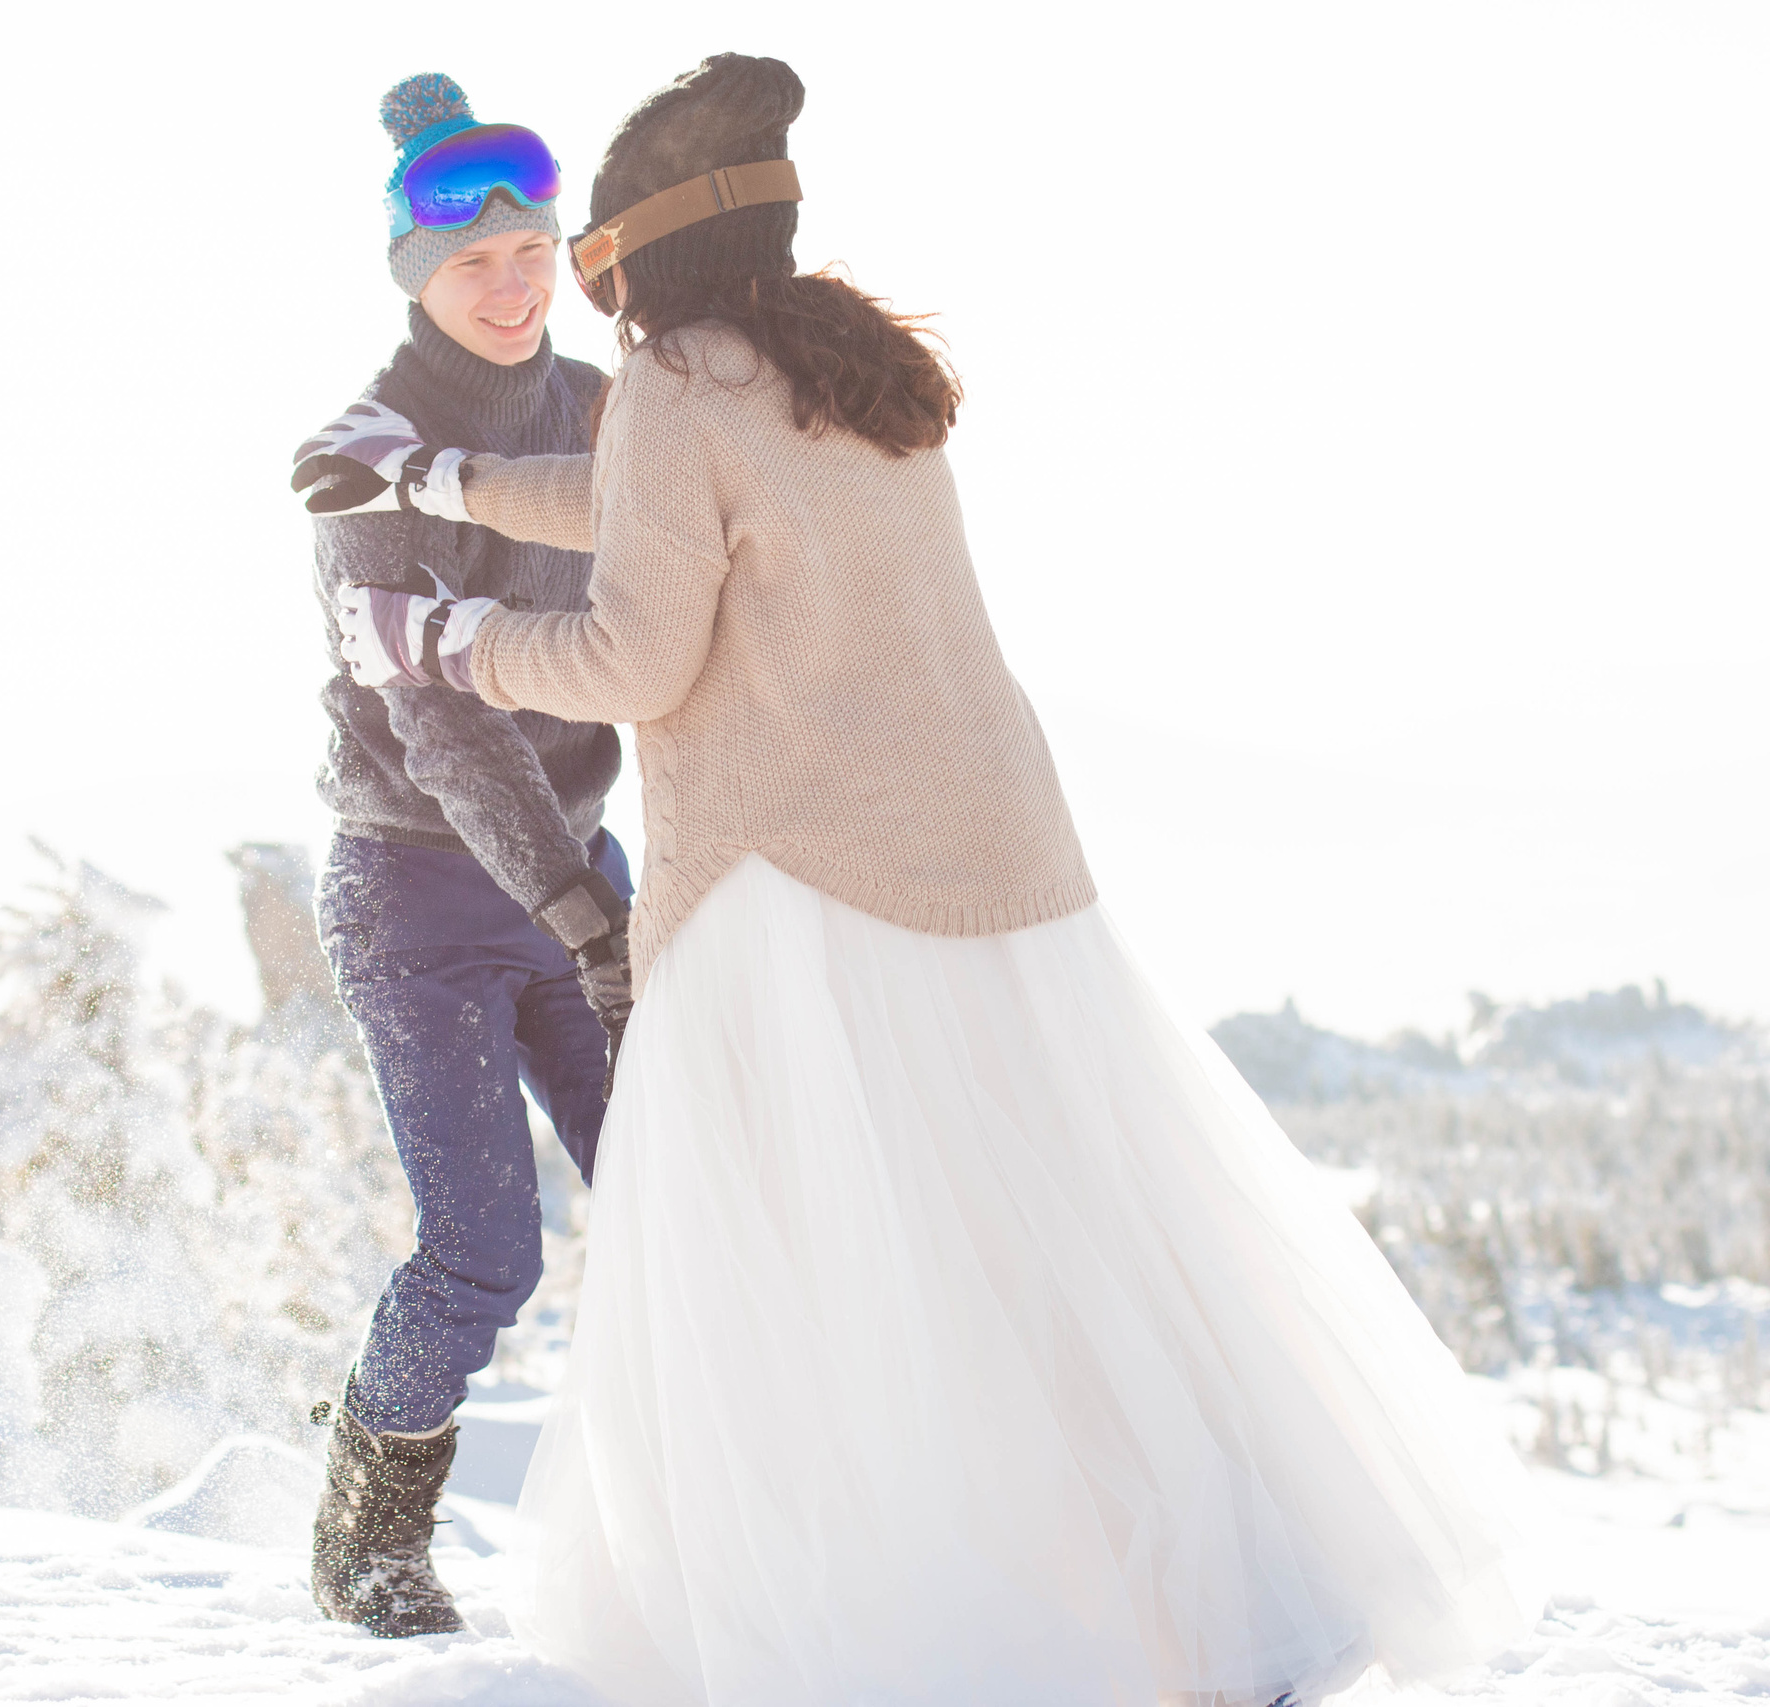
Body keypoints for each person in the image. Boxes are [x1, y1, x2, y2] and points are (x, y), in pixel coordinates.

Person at [311, 53, 1528, 1707]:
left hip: (798, 877)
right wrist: (433, 484)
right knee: (1022, 1227)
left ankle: (883, 1600)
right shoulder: (834, 366)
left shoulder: (661, 382)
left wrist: (449, 639)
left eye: (573, 250)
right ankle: (1206, 1588)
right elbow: (629, 522)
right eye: (492, 255)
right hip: (982, 864)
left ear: (639, 257)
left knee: (796, 1254)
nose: (550, 284)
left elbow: (634, 644)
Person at [291, 72, 636, 1642]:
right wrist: (579, 908)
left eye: (532, 252)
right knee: (486, 1249)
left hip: (577, 870)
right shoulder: (366, 455)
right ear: (417, 278)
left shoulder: (605, 414)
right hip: (420, 884)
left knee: (673, 1190)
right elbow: (441, 724)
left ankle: (708, 1514)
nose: (511, 286)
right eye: (470, 264)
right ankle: (365, 1541)